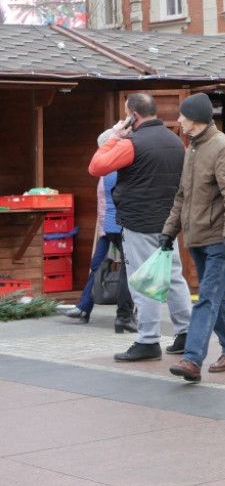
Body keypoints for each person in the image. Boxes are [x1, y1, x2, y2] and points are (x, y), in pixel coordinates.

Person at [89, 92, 191, 362]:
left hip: (139, 223)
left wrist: (114, 136)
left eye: (125, 114)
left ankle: (147, 340)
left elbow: (96, 167)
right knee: (174, 276)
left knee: (144, 281)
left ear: (133, 114)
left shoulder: (132, 143)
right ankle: (186, 333)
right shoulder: (175, 141)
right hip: (169, 221)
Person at [163, 93, 225, 383]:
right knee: (216, 297)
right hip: (196, 237)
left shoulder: (223, 147)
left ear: (195, 119)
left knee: (206, 299)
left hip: (218, 239)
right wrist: (168, 231)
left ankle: (192, 359)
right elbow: (182, 196)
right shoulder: (193, 149)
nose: (178, 120)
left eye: (182, 115)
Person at [60, 170, 137, 332]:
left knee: (115, 266)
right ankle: (87, 307)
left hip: (112, 227)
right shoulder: (111, 173)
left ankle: (87, 307)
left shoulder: (110, 174)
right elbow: (106, 204)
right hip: (114, 226)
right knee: (109, 266)